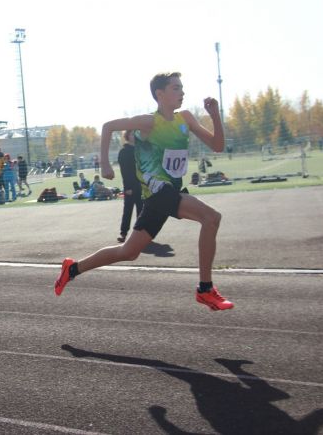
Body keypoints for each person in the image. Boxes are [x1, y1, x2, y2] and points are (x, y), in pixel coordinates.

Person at [54, 72, 233, 311]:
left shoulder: (186, 118)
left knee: (128, 252)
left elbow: (218, 146)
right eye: (176, 88)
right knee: (211, 218)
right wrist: (105, 164)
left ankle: (72, 268)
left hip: (163, 195)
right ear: (160, 94)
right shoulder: (148, 122)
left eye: (182, 88)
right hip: (159, 191)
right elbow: (108, 127)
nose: (182, 92)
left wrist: (214, 116)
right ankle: (205, 289)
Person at [117, 130, 144, 243]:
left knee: (141, 210)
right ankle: (123, 234)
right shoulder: (124, 152)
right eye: (132, 134)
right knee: (128, 210)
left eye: (136, 133)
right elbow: (125, 172)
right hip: (130, 186)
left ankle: (139, 234)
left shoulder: (141, 149)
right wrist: (127, 188)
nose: (135, 135)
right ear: (127, 136)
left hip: (142, 185)